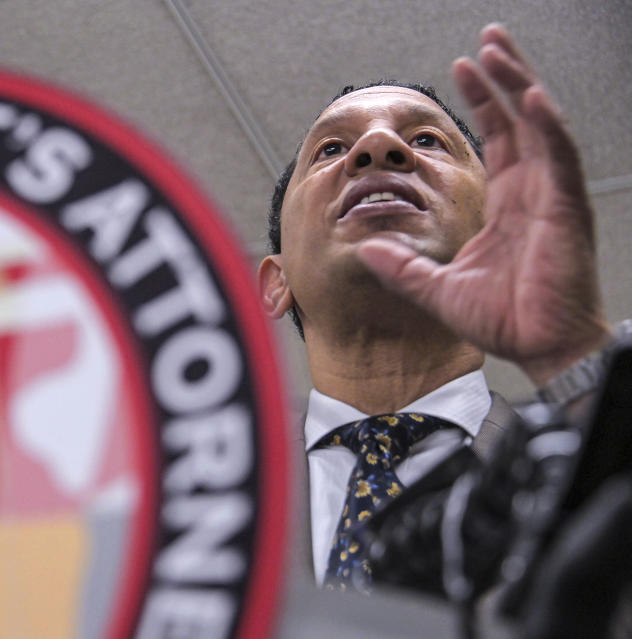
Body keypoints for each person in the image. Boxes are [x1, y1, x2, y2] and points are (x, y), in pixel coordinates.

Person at [257, 22, 617, 594]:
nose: (378, 148)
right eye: (331, 149)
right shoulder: (182, 486)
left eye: (426, 140)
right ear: (276, 283)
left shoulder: (581, 460)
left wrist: (571, 349)